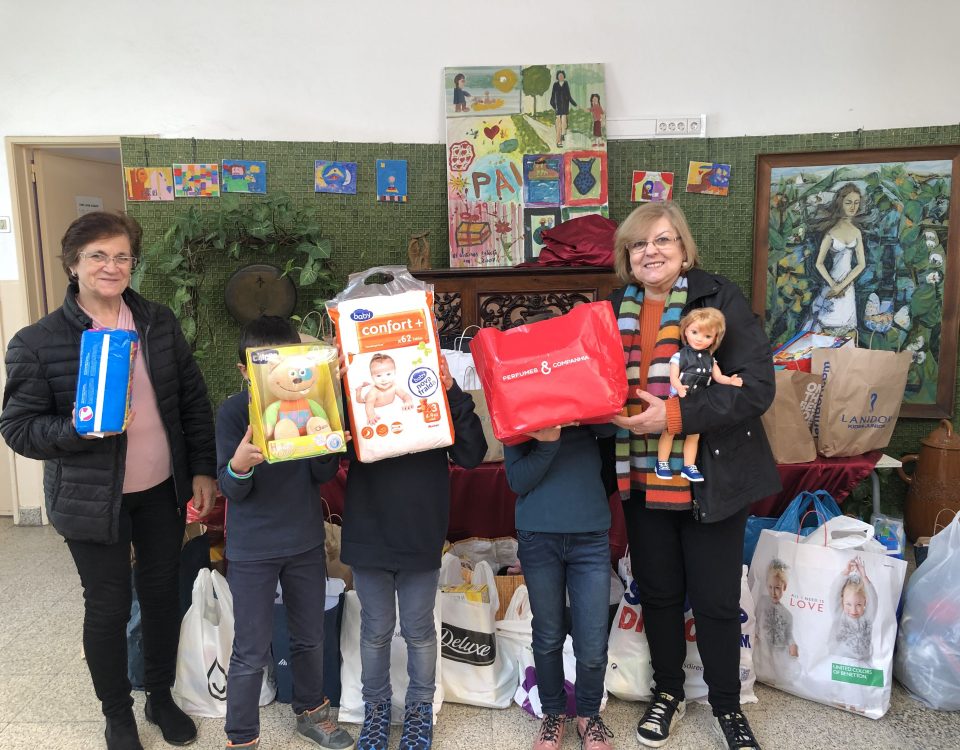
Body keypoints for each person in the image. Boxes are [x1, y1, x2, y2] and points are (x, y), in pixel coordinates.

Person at [0, 211, 217, 750]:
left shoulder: (157, 322)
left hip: (161, 491)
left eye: (122, 256)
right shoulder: (37, 341)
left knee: (162, 597)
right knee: (108, 606)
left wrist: (201, 468)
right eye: (97, 255)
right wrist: (77, 428)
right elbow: (19, 428)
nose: (111, 266)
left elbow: (192, 401)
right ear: (73, 264)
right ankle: (117, 713)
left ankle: (159, 696)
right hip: (92, 501)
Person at [602, 202, 780, 750]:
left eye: (662, 240)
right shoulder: (610, 309)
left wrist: (674, 416)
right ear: (627, 256)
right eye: (638, 244)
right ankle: (668, 692)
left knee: (716, 601)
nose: (650, 251)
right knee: (658, 594)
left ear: (684, 249)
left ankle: (727, 706)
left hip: (711, 476)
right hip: (640, 476)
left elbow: (756, 388)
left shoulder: (719, 299)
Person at [216, 316, 354, 750]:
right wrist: (239, 465)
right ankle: (241, 736)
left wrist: (330, 436)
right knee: (251, 648)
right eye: (265, 364)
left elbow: (323, 473)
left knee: (310, 635)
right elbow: (230, 488)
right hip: (252, 549)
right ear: (245, 370)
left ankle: (312, 712)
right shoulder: (233, 413)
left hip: (304, 541)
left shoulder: (310, 403)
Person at [340, 352, 486, 750]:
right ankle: (376, 710)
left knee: (419, 631)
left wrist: (451, 390)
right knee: (375, 630)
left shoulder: (429, 394)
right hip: (369, 530)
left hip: (420, 531)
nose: (386, 377)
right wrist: (338, 387)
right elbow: (331, 451)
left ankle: (420, 709)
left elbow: (472, 454)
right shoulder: (357, 392)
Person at [504, 421, 618, 750]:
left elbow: (611, 428)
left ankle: (588, 715)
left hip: (590, 533)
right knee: (548, 634)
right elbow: (517, 480)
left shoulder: (591, 414)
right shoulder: (519, 411)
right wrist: (548, 442)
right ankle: (553, 714)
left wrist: (578, 415)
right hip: (538, 534)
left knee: (592, 639)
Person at [656, 308, 743, 482]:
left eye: (707, 336)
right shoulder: (680, 356)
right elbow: (673, 377)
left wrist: (730, 381)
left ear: (714, 339)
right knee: (670, 430)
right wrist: (679, 388)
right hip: (677, 399)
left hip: (698, 401)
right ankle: (661, 462)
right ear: (685, 331)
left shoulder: (710, 359)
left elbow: (718, 377)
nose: (699, 339)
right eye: (694, 332)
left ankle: (688, 466)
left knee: (694, 435)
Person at [805, 182, 867, 336]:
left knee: (848, 328)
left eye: (856, 203)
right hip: (831, 282)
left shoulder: (857, 232)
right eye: (848, 202)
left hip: (847, 285)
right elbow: (819, 263)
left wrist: (842, 286)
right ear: (841, 203)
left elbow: (861, 264)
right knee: (828, 325)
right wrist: (834, 285)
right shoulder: (831, 232)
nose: (853, 207)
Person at [754, 558, 799, 686]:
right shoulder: (762, 601)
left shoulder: (787, 615)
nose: (773, 592)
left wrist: (792, 645)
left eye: (778, 588)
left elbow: (788, 634)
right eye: (770, 587)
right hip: (761, 647)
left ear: (785, 587)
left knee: (778, 671)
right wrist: (754, 633)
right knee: (761, 662)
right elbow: (755, 618)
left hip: (778, 650)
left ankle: (773, 678)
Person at [828, 557, 876, 663]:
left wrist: (864, 577)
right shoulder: (838, 614)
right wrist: (846, 572)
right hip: (838, 661)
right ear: (842, 601)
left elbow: (873, 599)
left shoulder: (868, 617)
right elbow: (834, 592)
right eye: (848, 604)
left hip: (862, 663)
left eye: (858, 605)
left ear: (865, 603)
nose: (853, 610)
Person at [356, 353, 414, 425]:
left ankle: (368, 384)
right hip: (366, 397)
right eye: (378, 376)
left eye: (388, 374)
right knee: (360, 400)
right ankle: (359, 390)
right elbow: (369, 405)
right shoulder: (373, 392)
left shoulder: (394, 386)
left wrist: (408, 400)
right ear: (372, 377)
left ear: (395, 373)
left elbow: (404, 395)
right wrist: (371, 415)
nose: (384, 379)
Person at [549, 70, 577, 147]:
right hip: (558, 110)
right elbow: (552, 98)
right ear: (557, 77)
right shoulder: (555, 85)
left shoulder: (566, 84)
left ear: (564, 76)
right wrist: (555, 107)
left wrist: (575, 104)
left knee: (564, 124)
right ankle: (559, 142)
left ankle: (563, 134)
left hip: (565, 109)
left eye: (562, 75)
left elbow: (569, 97)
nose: (561, 77)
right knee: (558, 126)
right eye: (559, 76)